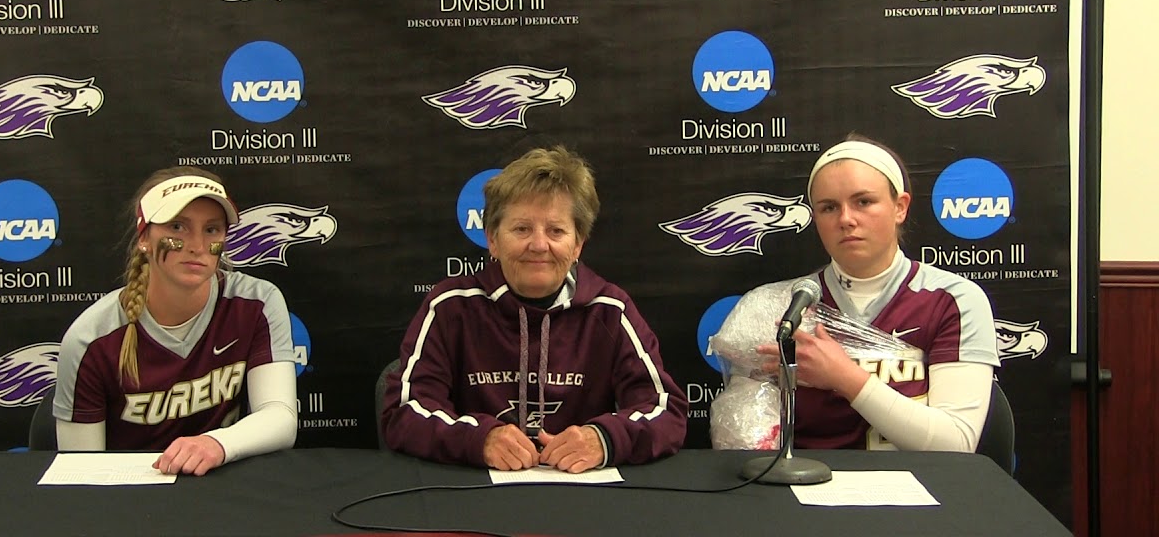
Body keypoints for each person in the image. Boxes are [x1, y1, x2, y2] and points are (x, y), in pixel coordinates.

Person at [382, 146, 687, 472]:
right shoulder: (450, 306)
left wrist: (604, 440)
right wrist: (479, 440)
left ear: (577, 244)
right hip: (475, 490)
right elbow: (404, 411)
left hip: (582, 493)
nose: (539, 245)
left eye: (556, 230)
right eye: (522, 229)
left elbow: (666, 412)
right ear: (493, 240)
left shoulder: (610, 310)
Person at [756, 135, 1000, 452]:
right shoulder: (782, 307)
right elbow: (746, 436)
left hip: (921, 481)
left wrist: (844, 377)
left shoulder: (952, 300)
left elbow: (955, 444)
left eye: (863, 202)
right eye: (829, 207)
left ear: (900, 207)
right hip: (809, 479)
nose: (846, 219)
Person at [54, 167, 298, 475]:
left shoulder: (256, 303)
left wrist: (216, 444)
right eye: (178, 227)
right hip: (130, 493)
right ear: (144, 237)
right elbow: (80, 473)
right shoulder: (91, 338)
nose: (196, 245)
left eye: (211, 229)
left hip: (221, 481)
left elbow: (280, 416)